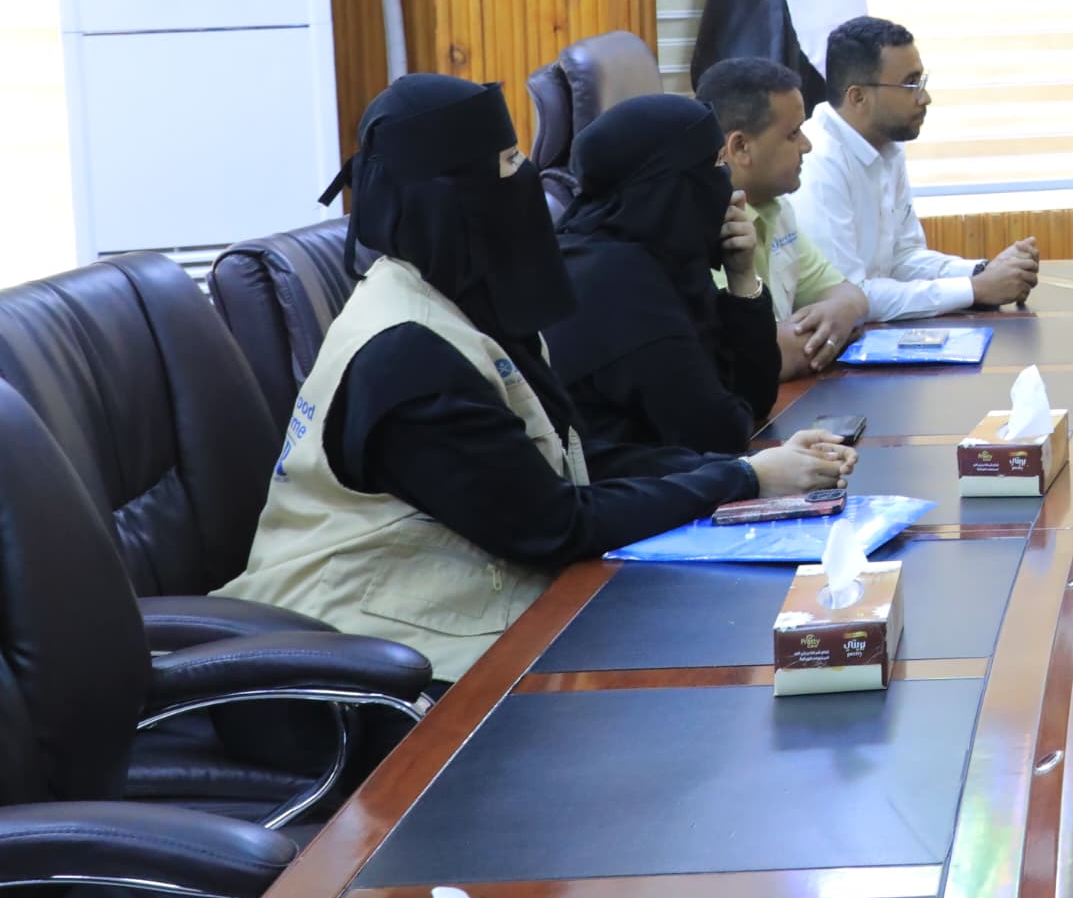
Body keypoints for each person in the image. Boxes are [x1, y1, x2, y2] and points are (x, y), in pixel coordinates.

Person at [217, 75, 852, 683]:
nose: (527, 180)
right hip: (360, 663)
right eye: (507, 165)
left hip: (449, 619)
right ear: (452, 195)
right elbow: (552, 524)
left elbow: (564, 459)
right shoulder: (409, 354)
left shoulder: (456, 303)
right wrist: (741, 479)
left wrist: (745, 473)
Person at [545, 93, 791, 454]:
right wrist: (733, 407)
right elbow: (718, 434)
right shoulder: (614, 280)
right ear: (669, 184)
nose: (727, 183)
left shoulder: (669, 257)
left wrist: (742, 278)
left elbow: (755, 397)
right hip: (618, 485)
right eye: (714, 164)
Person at [800, 16, 1039, 319]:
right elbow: (849, 299)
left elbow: (903, 259)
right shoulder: (817, 164)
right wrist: (976, 289)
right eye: (911, 84)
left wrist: (985, 271)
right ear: (858, 97)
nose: (925, 97)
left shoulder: (887, 144)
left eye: (921, 82)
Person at [698, 56, 872, 372]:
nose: (807, 146)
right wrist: (835, 333)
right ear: (740, 148)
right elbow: (751, 357)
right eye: (793, 133)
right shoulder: (703, 226)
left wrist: (841, 314)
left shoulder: (775, 207)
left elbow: (850, 297)